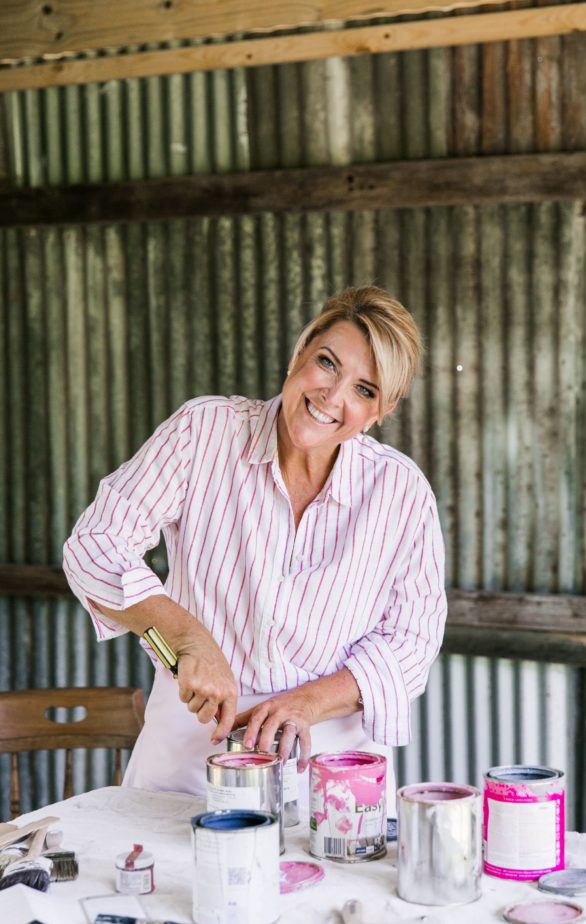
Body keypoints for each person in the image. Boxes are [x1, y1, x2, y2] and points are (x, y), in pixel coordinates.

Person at [63, 286, 447, 810]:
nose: (332, 397)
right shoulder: (204, 432)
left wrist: (305, 703)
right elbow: (95, 545)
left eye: (364, 390)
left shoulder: (400, 491)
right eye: (327, 363)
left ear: (383, 410)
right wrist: (186, 639)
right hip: (190, 756)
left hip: (331, 772)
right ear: (299, 352)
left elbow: (413, 642)